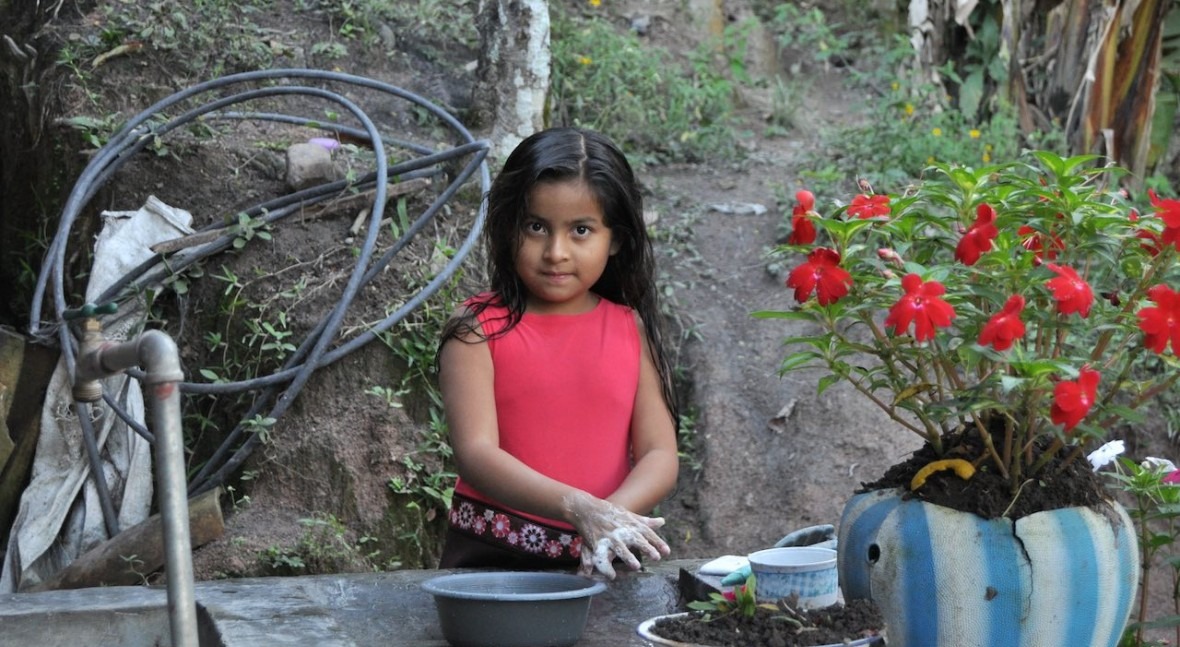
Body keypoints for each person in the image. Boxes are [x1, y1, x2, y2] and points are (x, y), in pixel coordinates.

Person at [436, 127, 680, 579]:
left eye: (581, 230)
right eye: (536, 227)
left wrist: (607, 521)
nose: (556, 252)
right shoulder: (476, 330)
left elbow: (659, 453)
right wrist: (576, 506)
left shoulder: (629, 327)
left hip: (608, 563)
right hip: (494, 566)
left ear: (617, 239)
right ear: (510, 227)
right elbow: (476, 452)